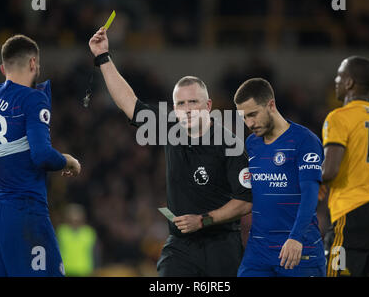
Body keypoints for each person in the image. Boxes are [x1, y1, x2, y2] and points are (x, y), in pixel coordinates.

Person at [88, 27, 252, 277]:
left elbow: (244, 201)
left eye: (193, 102)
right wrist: (102, 57)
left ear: (208, 106)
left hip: (221, 246)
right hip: (180, 246)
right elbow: (129, 103)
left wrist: (203, 219)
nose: (186, 109)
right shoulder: (168, 127)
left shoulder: (229, 144)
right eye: (180, 104)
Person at [0, 35, 81, 276]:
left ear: (3, 68)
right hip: (23, 213)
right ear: (33, 64)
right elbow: (42, 155)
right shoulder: (34, 99)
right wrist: (68, 160)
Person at [234, 78, 326, 277]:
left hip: (298, 249)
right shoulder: (252, 144)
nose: (249, 123)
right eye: (244, 118)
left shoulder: (305, 141)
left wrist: (296, 238)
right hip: (258, 251)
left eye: (253, 115)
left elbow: (310, 194)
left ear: (271, 105)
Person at [321, 56, 369, 277]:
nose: (336, 79)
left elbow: (330, 170)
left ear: (349, 83)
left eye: (340, 75)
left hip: (351, 211)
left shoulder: (338, 118)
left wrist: (305, 176)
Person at [57, 204, 97, 277]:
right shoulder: (62, 231)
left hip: (84, 270)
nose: (75, 222)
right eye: (72, 219)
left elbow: (95, 253)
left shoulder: (89, 232)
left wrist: (95, 268)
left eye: (77, 220)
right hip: (66, 270)